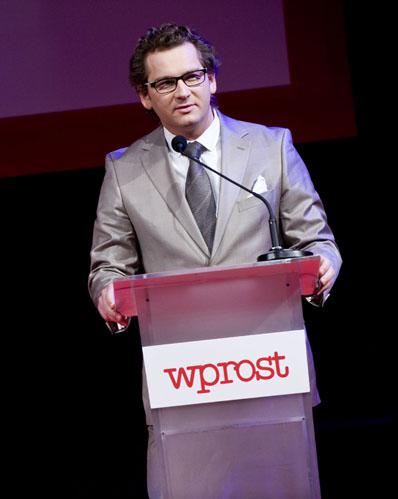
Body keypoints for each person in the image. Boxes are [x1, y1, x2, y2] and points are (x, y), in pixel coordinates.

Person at [87, 24, 341, 495]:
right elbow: (108, 266)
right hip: (182, 377)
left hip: (269, 367)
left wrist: (322, 267)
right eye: (166, 83)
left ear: (212, 79)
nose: (183, 92)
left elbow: (317, 241)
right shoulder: (124, 169)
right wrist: (107, 293)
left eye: (192, 76)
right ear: (145, 96)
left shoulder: (271, 147)